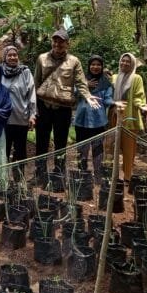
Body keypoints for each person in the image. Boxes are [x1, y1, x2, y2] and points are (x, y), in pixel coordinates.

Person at [33, 28, 99, 183]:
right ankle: (40, 174)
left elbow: (81, 83)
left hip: (63, 109)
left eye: (61, 41)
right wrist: (34, 107)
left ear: (67, 44)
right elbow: (36, 83)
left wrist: (88, 96)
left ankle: (58, 175)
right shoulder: (42, 59)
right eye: (55, 40)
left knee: (60, 143)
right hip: (44, 106)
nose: (57, 44)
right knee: (41, 142)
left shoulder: (74, 61)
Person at [73, 55, 114, 180]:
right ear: (88, 66)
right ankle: (82, 174)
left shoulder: (106, 83)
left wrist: (115, 103)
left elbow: (108, 100)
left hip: (98, 121)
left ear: (102, 67)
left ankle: (98, 175)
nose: (95, 67)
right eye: (93, 64)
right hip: (81, 120)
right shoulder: (81, 80)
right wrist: (86, 85)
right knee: (82, 148)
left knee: (97, 149)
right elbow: (74, 94)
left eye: (98, 65)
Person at [1, 45, 36, 182]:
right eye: (9, 55)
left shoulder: (25, 72)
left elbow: (31, 93)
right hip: (3, 119)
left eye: (15, 55)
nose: (12, 57)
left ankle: (18, 180)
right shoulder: (0, 72)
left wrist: (33, 115)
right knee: (3, 149)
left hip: (21, 117)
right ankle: (2, 179)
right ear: (5, 57)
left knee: (20, 150)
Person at [110, 52, 147, 182]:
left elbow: (138, 96)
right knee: (110, 146)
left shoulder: (136, 78)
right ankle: (110, 173)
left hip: (129, 117)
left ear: (132, 64)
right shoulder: (114, 77)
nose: (124, 63)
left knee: (128, 148)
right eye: (123, 61)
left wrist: (141, 105)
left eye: (128, 62)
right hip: (114, 116)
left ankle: (127, 176)